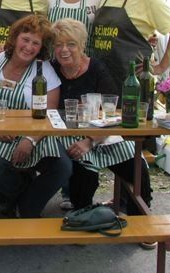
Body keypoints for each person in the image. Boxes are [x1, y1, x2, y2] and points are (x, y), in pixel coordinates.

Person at [50, 19, 153, 219]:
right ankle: (84, 216)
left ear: (82, 46)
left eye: (71, 44)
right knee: (83, 179)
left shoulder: (96, 68)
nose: (64, 50)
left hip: (102, 132)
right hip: (68, 135)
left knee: (137, 168)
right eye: (59, 45)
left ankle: (140, 221)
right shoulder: (51, 68)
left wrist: (90, 140)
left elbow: (113, 111)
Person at [0, 14, 71, 218]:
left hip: (35, 132)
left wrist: (30, 140)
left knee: (62, 166)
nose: (29, 47)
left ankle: (25, 206)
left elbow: (50, 113)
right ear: (15, 38)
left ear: (41, 48)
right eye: (25, 39)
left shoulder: (44, 70)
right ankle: (20, 194)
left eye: (35, 43)